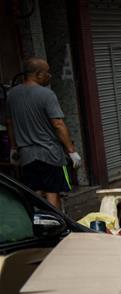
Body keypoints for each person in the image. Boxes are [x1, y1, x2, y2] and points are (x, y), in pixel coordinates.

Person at [6, 57, 81, 210]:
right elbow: (58, 124)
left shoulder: (12, 95)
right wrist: (71, 151)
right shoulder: (47, 94)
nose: (49, 76)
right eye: (47, 72)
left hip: (26, 156)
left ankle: (39, 227)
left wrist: (13, 148)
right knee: (52, 192)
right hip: (50, 154)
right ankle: (57, 226)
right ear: (38, 74)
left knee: (35, 193)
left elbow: (10, 123)